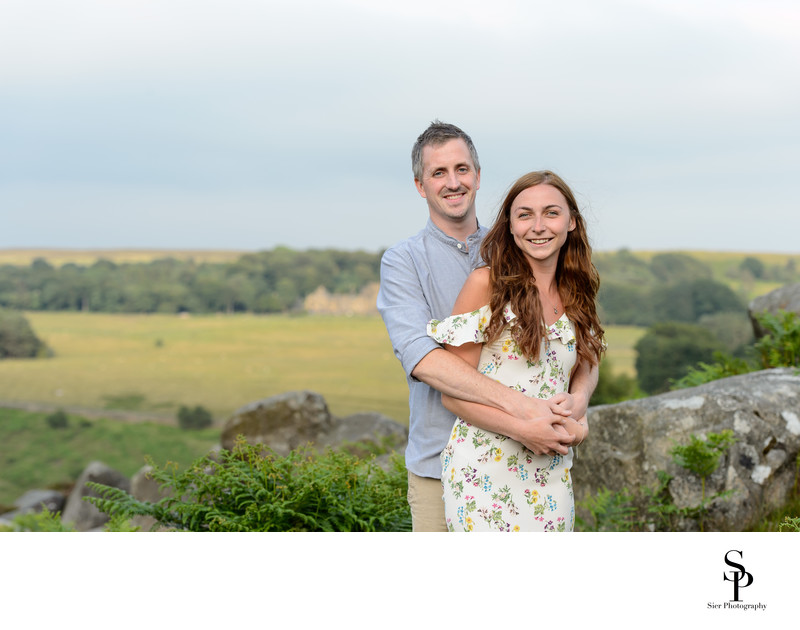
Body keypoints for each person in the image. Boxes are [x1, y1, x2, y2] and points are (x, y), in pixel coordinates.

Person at [377, 121, 598, 531]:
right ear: (420, 186)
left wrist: (577, 406)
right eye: (438, 173)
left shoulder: (524, 245)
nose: (453, 182)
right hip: (442, 463)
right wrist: (525, 415)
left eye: (462, 169)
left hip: (539, 463)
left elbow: (578, 344)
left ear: (478, 177)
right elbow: (424, 360)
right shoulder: (403, 261)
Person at [426, 170, 605, 531]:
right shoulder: (486, 285)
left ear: (571, 222)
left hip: (552, 474)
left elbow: (589, 358)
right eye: (525, 215)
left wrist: (579, 401)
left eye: (551, 213)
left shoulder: (577, 289)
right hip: (484, 473)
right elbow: (453, 396)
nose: (538, 226)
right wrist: (524, 429)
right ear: (509, 226)